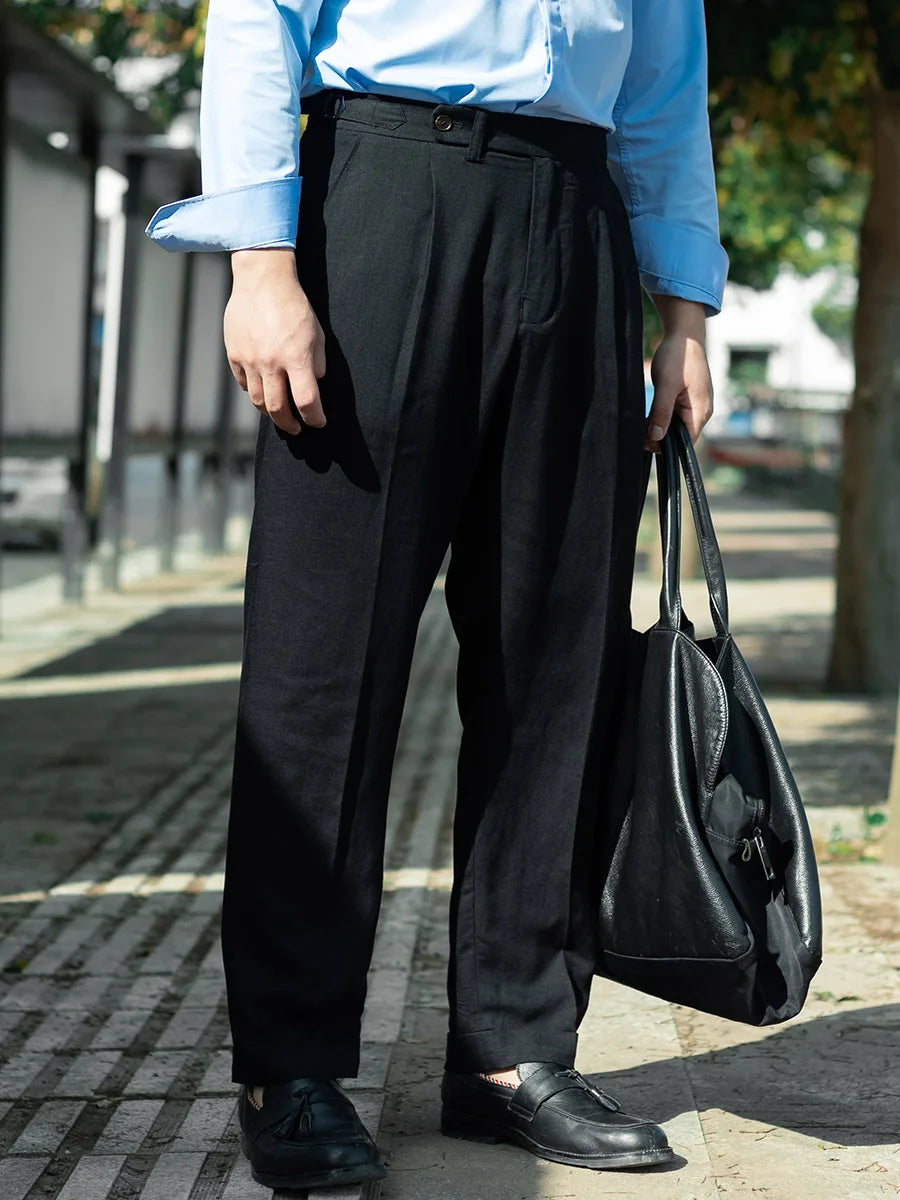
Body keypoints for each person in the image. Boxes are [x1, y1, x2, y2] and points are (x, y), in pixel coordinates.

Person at [146, 0, 728, 1189]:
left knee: (552, 664)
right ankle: (292, 1063)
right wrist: (260, 261)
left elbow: (666, 91)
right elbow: (260, 20)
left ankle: (513, 1051)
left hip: (578, 216)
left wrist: (684, 311)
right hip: (378, 191)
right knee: (325, 669)